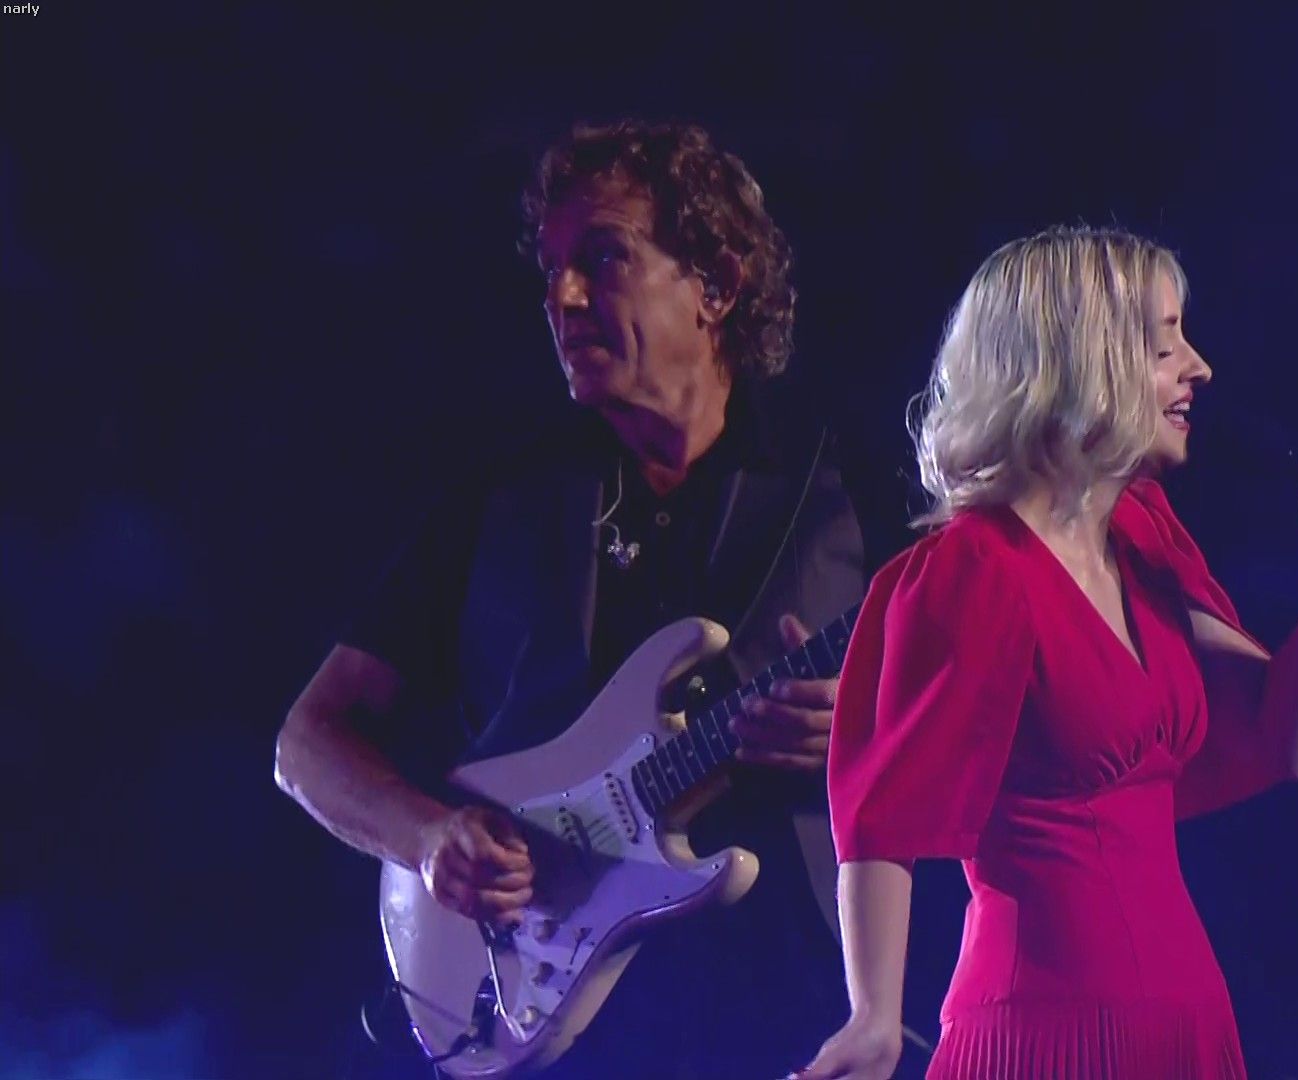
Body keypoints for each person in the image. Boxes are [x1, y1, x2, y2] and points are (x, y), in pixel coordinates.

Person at [274, 118, 872, 1078]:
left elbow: (1000, 719)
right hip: (551, 1025)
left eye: (603, 258)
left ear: (716, 285)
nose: (562, 297)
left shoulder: (846, 488)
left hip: (789, 1008)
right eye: (552, 270)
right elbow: (307, 741)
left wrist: (870, 731)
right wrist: (428, 840)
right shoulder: (498, 501)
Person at [799, 226, 1298, 1079]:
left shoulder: (1144, 539)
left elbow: (1286, 739)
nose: (1199, 368)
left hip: (1187, 1026)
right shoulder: (975, 568)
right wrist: (875, 1017)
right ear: (1080, 361)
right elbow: (878, 814)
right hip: (1043, 1034)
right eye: (1165, 345)